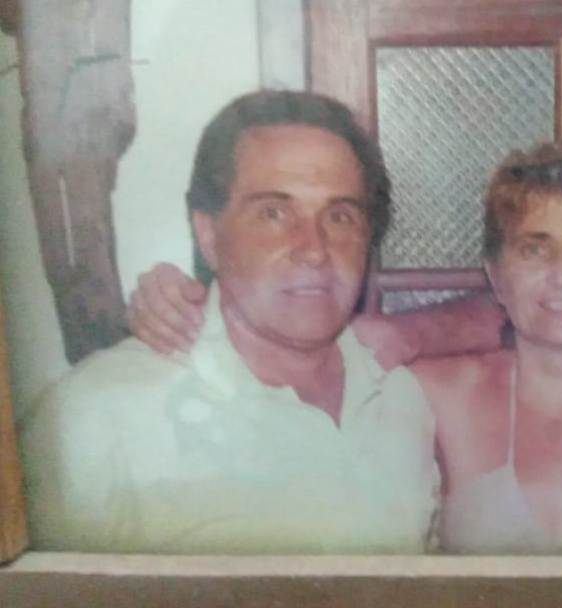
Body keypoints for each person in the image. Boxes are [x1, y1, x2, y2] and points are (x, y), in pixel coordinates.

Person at [125, 142, 562, 554]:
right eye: (534, 249)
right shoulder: (431, 393)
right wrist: (189, 302)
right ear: (496, 276)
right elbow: (284, 358)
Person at [19, 91, 438, 554]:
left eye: (340, 216)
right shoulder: (97, 419)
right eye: (274, 213)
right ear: (208, 235)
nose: (314, 248)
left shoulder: (401, 399)